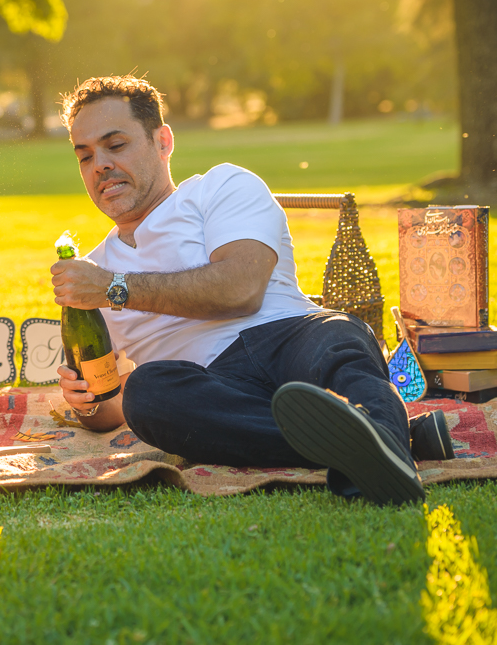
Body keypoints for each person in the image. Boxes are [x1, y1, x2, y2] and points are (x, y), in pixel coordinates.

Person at [51, 75, 453, 506]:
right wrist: (88, 405)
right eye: (85, 155)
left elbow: (241, 289)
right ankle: (388, 439)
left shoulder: (222, 188)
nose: (100, 165)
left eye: (116, 145)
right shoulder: (92, 273)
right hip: (215, 389)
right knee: (148, 394)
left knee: (338, 340)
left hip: (292, 337)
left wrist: (115, 288)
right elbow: (111, 403)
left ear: (162, 141)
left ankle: (379, 444)